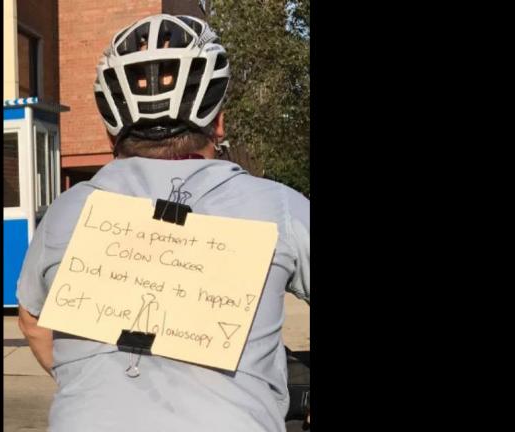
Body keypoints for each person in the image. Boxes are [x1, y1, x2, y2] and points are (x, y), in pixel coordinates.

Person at [17, 14, 310, 432]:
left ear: (108, 133)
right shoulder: (276, 206)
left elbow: (32, 320)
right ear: (220, 123)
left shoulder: (69, 210)